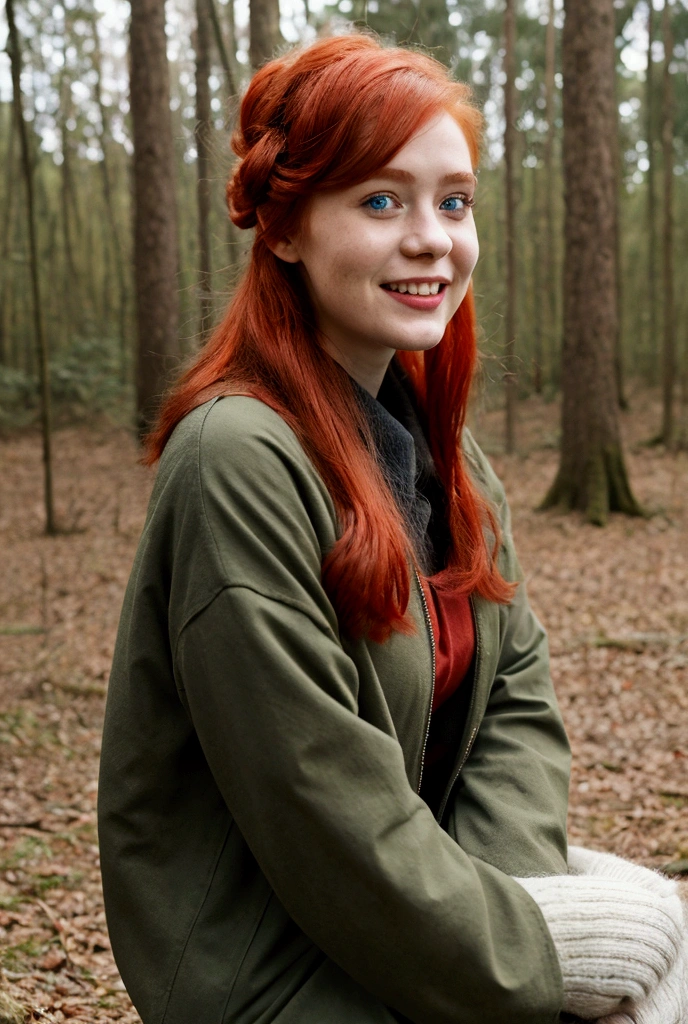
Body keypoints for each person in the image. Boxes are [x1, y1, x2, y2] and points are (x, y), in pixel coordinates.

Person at [97, 33, 687, 1024]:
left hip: (422, 914)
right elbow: (323, 809)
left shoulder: (445, 453)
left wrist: (513, 907)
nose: (431, 238)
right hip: (272, 968)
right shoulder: (236, 457)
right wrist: (523, 955)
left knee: (661, 940)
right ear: (285, 229)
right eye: (381, 200)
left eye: (452, 202)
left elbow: (514, 704)